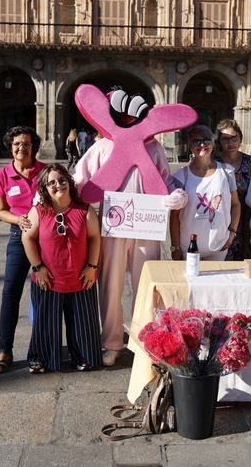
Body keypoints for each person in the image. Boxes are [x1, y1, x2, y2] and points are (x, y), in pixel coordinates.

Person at [73, 108, 188, 367]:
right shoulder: (102, 146)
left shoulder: (154, 147)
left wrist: (175, 196)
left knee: (147, 285)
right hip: (114, 225)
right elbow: (80, 177)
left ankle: (143, 341)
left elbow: (165, 180)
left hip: (147, 225)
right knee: (110, 285)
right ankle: (111, 342)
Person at [21, 163, 102, 373]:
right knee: (45, 323)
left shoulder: (85, 210)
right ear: (45, 188)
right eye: (52, 183)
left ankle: (83, 355)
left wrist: (91, 266)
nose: (58, 185)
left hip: (80, 277)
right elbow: (27, 238)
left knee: (82, 322)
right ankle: (41, 358)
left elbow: (94, 238)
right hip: (48, 279)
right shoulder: (38, 211)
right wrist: (38, 267)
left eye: (62, 180)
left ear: (70, 182)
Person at [0, 126, 45, 374]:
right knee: (10, 292)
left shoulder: (44, 172)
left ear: (34, 147)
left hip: (46, 238)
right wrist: (18, 219)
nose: (22, 147)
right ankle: (5, 350)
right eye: (17, 144)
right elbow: (0, 210)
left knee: (44, 294)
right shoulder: (3, 175)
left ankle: (41, 350)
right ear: (10, 146)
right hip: (18, 237)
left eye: (27, 143)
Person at [170, 124, 240, 262]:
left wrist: (232, 234)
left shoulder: (227, 172)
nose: (202, 144)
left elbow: (236, 205)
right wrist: (175, 247)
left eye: (206, 140)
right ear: (190, 146)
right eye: (196, 141)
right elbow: (174, 215)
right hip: (188, 248)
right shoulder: (180, 176)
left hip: (218, 247)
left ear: (213, 143)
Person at [213, 118, 251, 260]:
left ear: (240, 139)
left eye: (234, 138)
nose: (230, 143)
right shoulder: (213, 162)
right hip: (217, 221)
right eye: (225, 139)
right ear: (219, 141)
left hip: (244, 222)